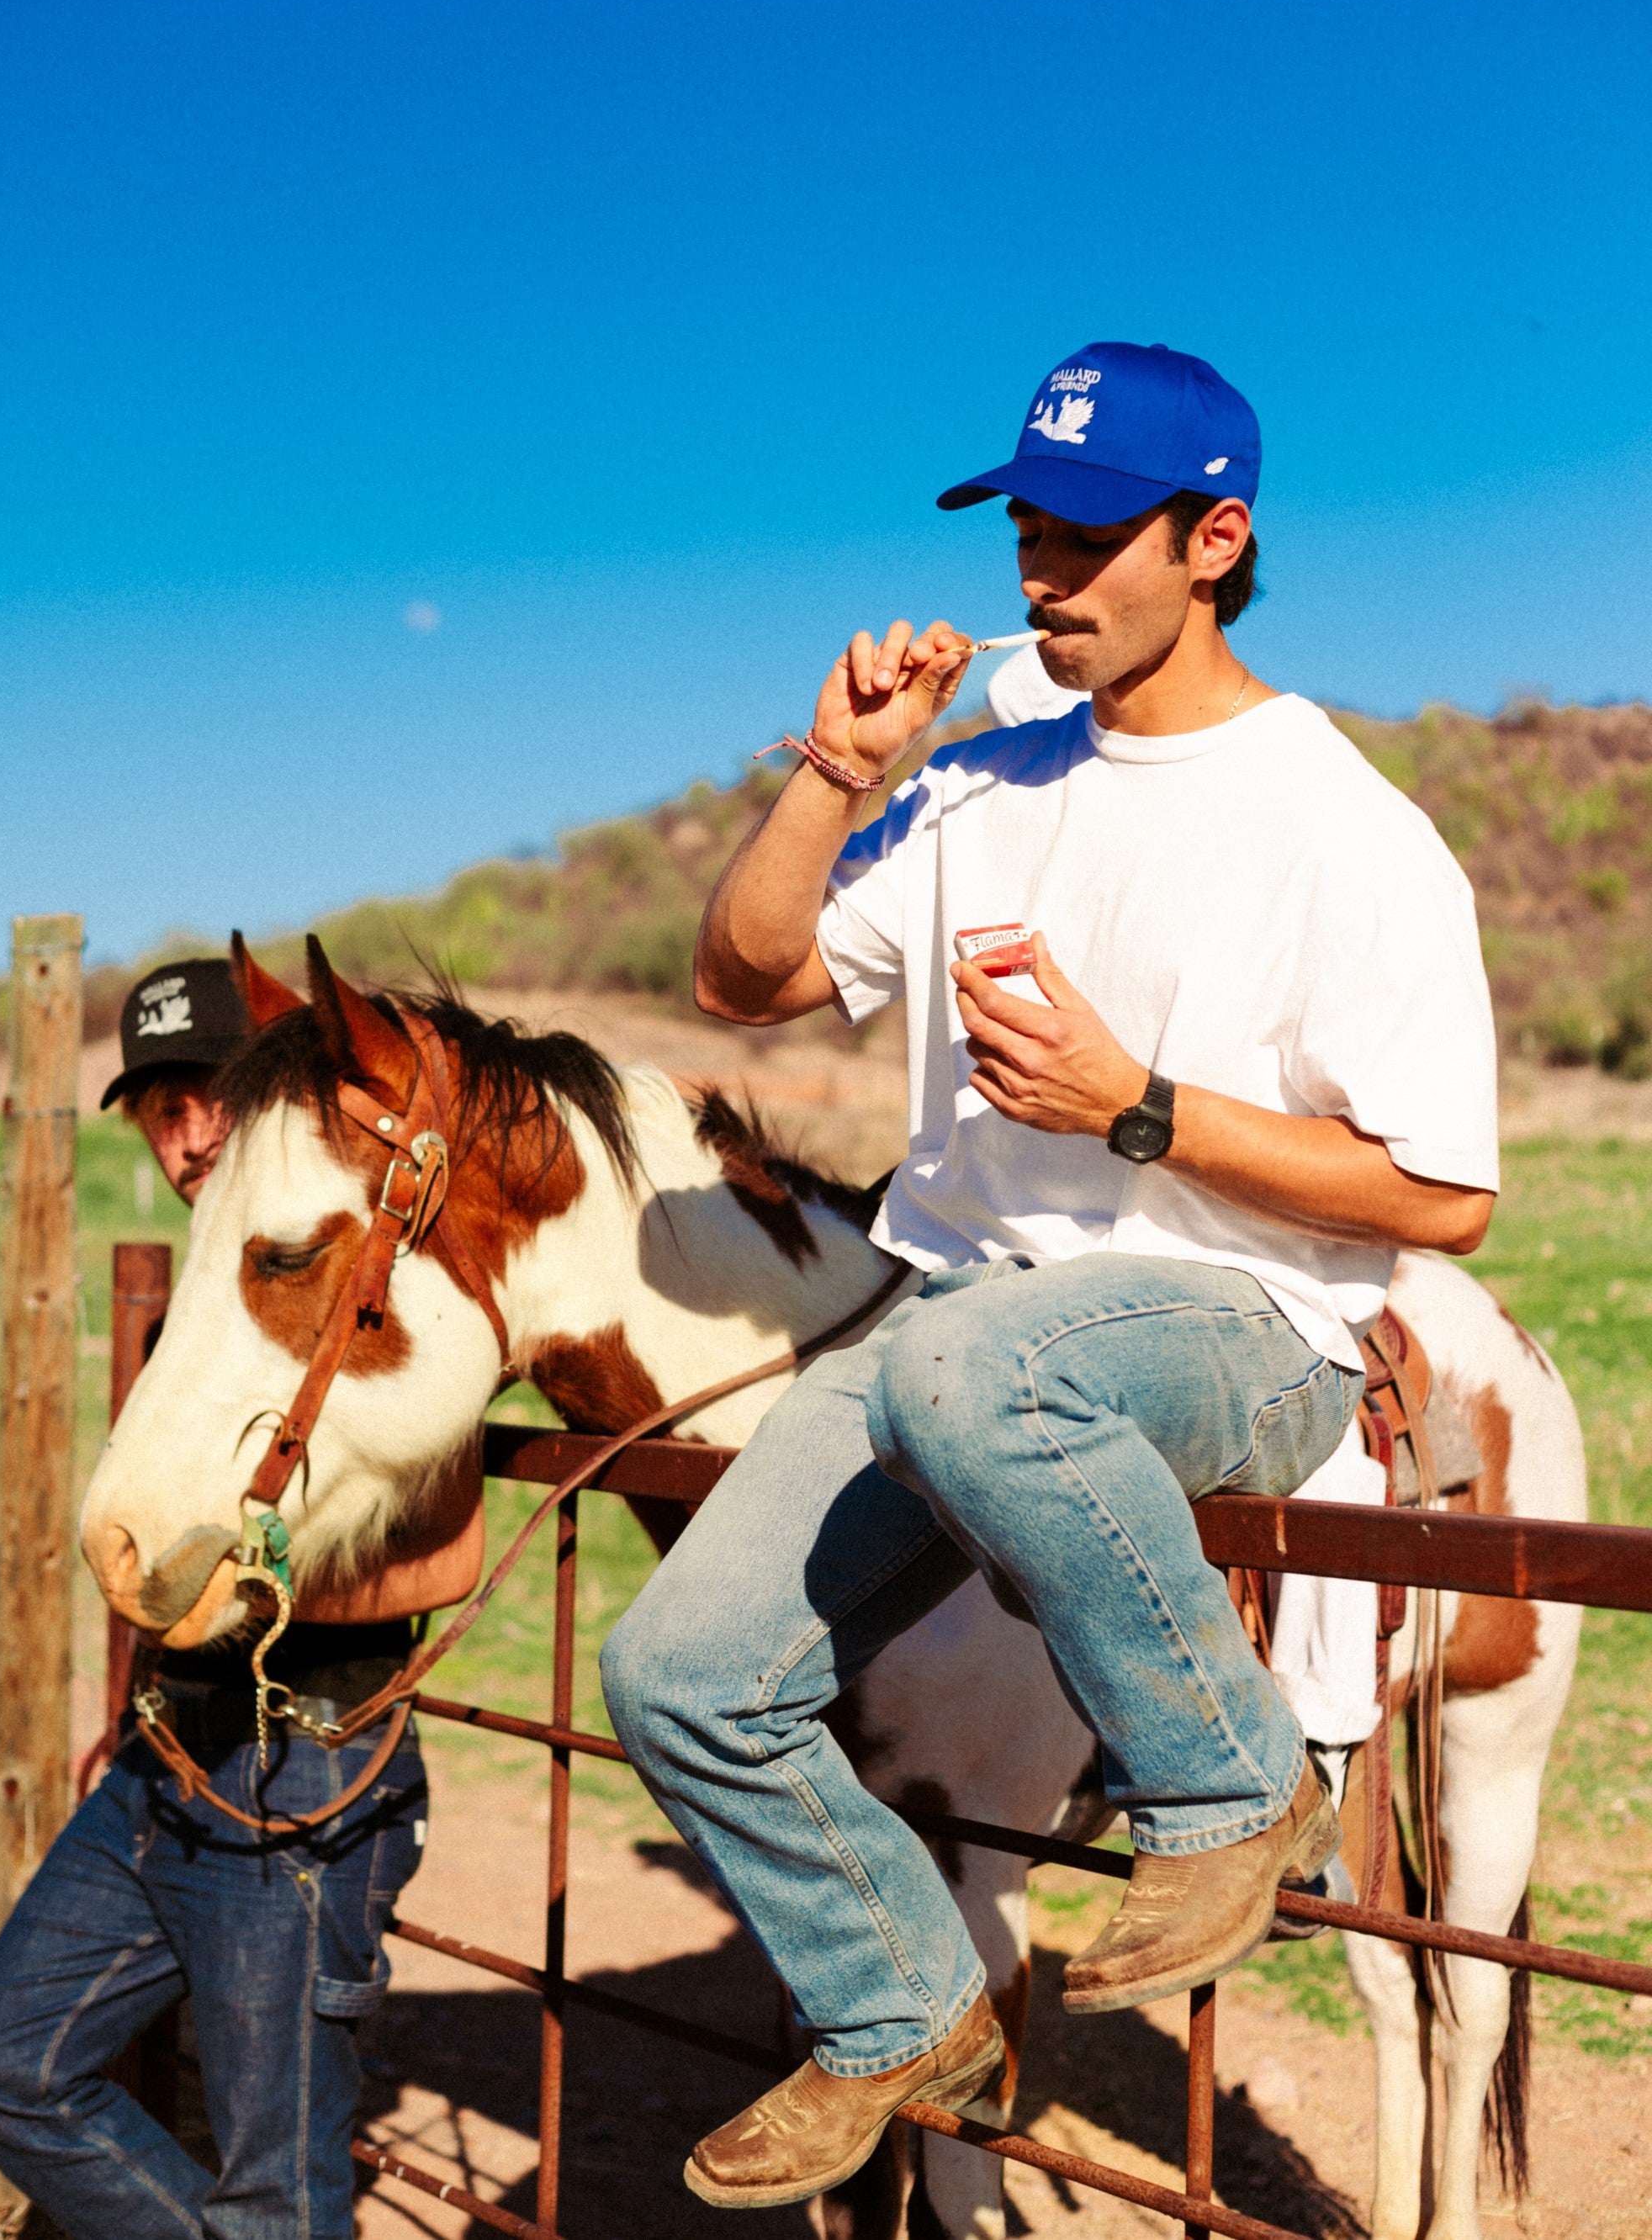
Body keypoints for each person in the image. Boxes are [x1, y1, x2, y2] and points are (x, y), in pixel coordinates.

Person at [601, 339, 1500, 2211]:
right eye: (1028, 527)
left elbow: (1441, 1196)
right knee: (675, 1670)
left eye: (1091, 536)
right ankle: (901, 2001)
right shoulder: (976, 787)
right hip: (961, 1313)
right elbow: (743, 981)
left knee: (972, 1370)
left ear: (1215, 538)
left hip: (1246, 1319)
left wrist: (1140, 1108)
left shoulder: (1349, 830)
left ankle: (1233, 1783)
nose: (1042, 573)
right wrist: (839, 776)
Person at [0, 957, 439, 2240]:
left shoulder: (372, 1287)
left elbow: (436, 1543)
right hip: (162, 1756)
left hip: (304, 1763)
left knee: (277, 2187)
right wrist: (131, 1705)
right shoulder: (210, 1313)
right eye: (158, 1109)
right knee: (7, 2063)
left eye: (210, 1099)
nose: (185, 1138)